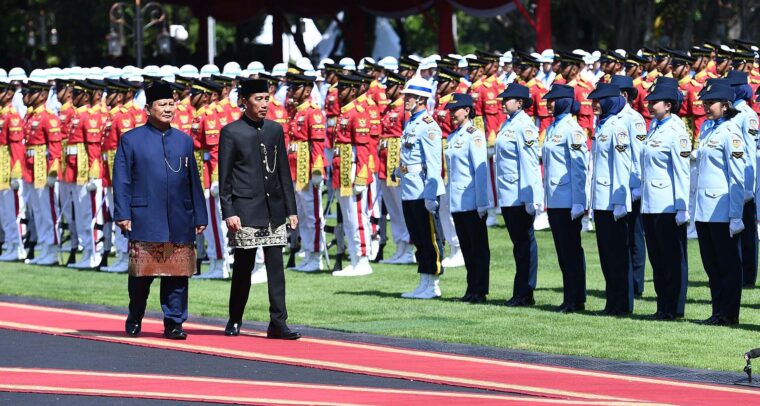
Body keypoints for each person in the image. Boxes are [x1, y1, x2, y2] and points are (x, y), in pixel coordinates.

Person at [113, 82, 208, 340]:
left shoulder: (184, 141)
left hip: (180, 217)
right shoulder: (131, 140)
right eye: (162, 104)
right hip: (145, 216)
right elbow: (121, 180)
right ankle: (135, 315)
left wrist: (200, 214)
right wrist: (122, 214)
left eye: (171, 104)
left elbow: (193, 181)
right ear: (148, 109)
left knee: (178, 274)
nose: (168, 109)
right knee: (142, 276)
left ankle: (174, 322)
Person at [218, 78, 301, 340]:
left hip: (273, 209)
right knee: (243, 268)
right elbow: (225, 178)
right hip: (244, 210)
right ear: (244, 101)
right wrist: (228, 210)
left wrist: (291, 208)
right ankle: (235, 318)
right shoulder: (231, 132)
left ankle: (278, 322)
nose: (264, 104)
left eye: (267, 99)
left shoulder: (275, 130)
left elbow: (283, 173)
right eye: (259, 99)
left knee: (276, 268)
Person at [694, 83, 746, 326]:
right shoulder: (706, 128)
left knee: (727, 264)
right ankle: (717, 311)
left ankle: (729, 313)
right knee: (711, 264)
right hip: (704, 208)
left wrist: (736, 214)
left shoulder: (731, 132)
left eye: (710, 102)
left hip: (723, 208)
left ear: (725, 105)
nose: (706, 106)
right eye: (704, 102)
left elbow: (737, 176)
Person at [640, 83, 691, 320]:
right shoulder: (655, 127)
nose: (649, 105)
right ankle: (662, 305)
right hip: (650, 203)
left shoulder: (676, 131)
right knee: (657, 258)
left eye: (654, 102)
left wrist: (682, 206)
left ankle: (674, 308)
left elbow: (682, 171)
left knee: (672, 258)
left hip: (668, 204)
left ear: (668, 105)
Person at [494, 83, 543, 307]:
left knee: (524, 244)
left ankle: (525, 292)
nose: (503, 102)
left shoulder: (525, 125)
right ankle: (520, 291)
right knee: (518, 245)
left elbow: (530, 163)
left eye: (508, 99)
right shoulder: (509, 123)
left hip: (519, 194)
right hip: (508, 193)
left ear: (520, 102)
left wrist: (532, 196)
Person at [587, 83, 633, 316]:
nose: (594, 104)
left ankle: (621, 303)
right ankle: (611, 302)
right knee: (606, 255)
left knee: (617, 256)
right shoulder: (602, 124)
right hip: (600, 201)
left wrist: (620, 201)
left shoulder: (617, 127)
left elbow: (623, 167)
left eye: (598, 100)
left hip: (613, 200)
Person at [541, 84, 588, 313]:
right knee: (562, 251)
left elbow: (579, 169)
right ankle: (569, 296)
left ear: (564, 102)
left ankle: (576, 298)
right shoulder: (552, 128)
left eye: (553, 100)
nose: (548, 103)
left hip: (569, 200)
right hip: (555, 199)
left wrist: (579, 201)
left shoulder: (573, 129)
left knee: (571, 251)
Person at [398, 76, 446, 299]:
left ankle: (433, 283)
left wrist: (431, 194)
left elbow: (434, 163)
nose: (405, 99)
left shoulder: (428, 126)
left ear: (419, 98)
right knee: (417, 236)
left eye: (409, 96)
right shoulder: (411, 123)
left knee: (430, 238)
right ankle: (423, 280)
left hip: (421, 188)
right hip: (409, 187)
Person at [444, 93, 490, 303]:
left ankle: (480, 290)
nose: (452, 114)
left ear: (467, 111)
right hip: (457, 200)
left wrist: (482, 202)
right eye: (451, 110)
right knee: (467, 248)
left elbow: (480, 172)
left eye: (456, 110)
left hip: (472, 200)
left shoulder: (475, 135)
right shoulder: (453, 137)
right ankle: (471, 289)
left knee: (478, 248)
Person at [609, 75, 648, 299]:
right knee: (619, 237)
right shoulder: (612, 117)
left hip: (632, 185)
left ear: (623, 95)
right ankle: (623, 282)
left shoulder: (634, 118)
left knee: (634, 236)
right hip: (617, 186)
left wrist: (637, 183)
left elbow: (639, 153)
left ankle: (637, 283)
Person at [725, 70, 759, 288]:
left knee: (747, 232)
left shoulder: (747, 115)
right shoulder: (732, 112)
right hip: (732, 180)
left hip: (745, 181)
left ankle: (748, 275)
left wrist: (749, 186)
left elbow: (748, 153)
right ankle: (736, 270)